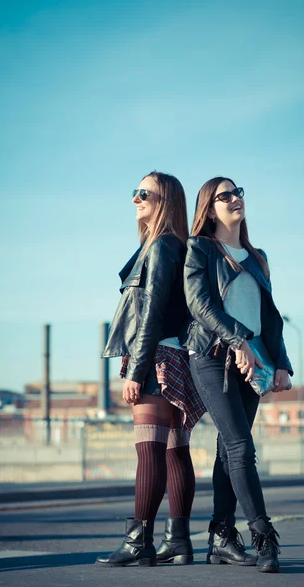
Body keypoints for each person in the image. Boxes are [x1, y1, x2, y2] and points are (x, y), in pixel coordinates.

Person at [180, 176, 293, 573]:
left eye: (238, 192)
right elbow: (201, 306)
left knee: (229, 450)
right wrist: (238, 341)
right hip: (212, 356)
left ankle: (222, 536)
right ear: (209, 209)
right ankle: (264, 536)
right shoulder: (200, 249)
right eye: (223, 196)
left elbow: (271, 318)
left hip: (255, 360)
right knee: (242, 447)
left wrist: (281, 363)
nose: (234, 200)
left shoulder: (257, 256)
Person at [96, 171, 206, 568]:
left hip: (155, 356)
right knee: (176, 451)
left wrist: (135, 370)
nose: (135, 199)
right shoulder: (175, 245)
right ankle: (178, 541)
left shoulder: (160, 247)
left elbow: (152, 312)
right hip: (179, 357)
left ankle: (137, 540)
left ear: (166, 201)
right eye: (135, 192)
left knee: (149, 451)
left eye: (145, 193)